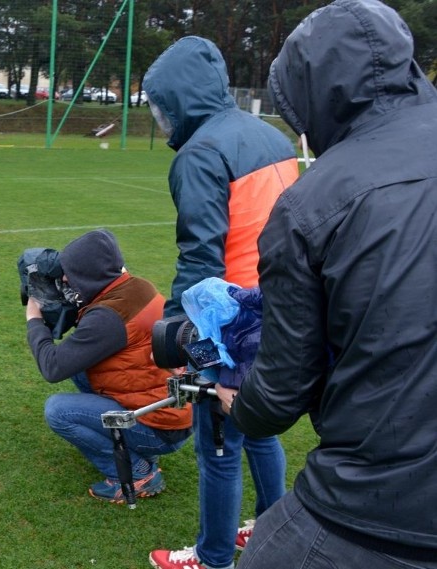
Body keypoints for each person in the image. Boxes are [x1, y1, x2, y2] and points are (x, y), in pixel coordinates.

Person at [222, 1, 437, 566]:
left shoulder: (313, 203)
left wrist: (234, 403)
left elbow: (280, 392)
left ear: (315, 95)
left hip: (378, 505)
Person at [141, 36, 300, 569]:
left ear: (180, 99)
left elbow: (200, 256)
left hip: (229, 322)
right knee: (257, 428)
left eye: (163, 106)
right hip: (278, 309)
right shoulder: (271, 135)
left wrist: (179, 332)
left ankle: (213, 558)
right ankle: (272, 529)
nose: (163, 120)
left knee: (219, 448)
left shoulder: (203, 152)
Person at [25, 229, 192, 503]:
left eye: (71, 271)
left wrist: (35, 320)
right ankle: (139, 450)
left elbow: (52, 368)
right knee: (79, 365)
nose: (65, 278)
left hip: (163, 427)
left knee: (58, 411)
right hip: (173, 410)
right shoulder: (137, 286)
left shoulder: (107, 317)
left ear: (89, 273)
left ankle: (136, 473)